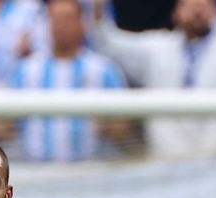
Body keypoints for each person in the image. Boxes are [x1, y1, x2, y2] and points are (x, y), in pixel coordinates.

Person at [92, 0, 216, 159]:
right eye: (189, 5)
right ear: (175, 13)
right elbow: (108, 44)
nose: (197, 10)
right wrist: (99, 10)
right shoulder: (156, 49)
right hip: (166, 166)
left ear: (215, 12)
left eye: (204, 5)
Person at [10, 0, 128, 162]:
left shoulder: (103, 70)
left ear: (82, 24)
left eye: (67, 19)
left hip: (91, 171)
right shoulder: (26, 70)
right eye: (55, 19)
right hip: (37, 171)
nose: (61, 26)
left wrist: (105, 124)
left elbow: (123, 126)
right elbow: (6, 121)